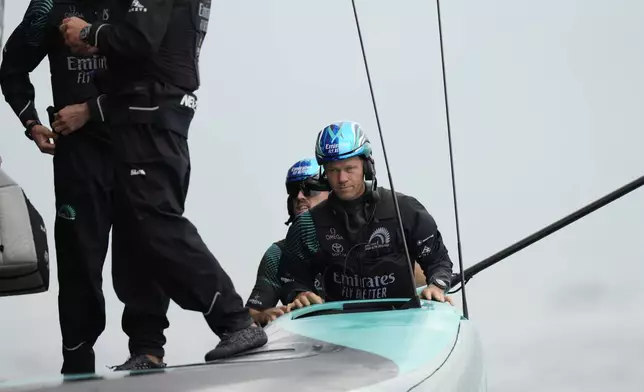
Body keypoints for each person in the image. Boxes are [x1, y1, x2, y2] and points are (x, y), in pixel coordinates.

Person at [58, 2, 268, 361]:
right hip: (145, 118)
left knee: (156, 224)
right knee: (139, 234)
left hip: (151, 121)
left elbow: (140, 39)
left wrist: (88, 31)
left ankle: (234, 321)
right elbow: (151, 45)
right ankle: (148, 349)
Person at [0, 0, 172, 373]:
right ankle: (77, 359)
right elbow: (11, 68)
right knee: (79, 254)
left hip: (139, 141)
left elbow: (164, 74)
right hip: (78, 153)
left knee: (144, 244)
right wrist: (31, 123)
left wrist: (91, 110)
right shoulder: (49, 6)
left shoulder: (140, 5)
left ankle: (148, 348)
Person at [279, 120, 455, 309]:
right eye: (333, 170)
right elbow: (290, 276)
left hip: (403, 323)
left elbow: (438, 260)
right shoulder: (308, 224)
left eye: (349, 169)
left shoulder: (405, 209)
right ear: (324, 175)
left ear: (367, 166)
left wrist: (437, 285)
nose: (342, 179)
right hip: (337, 329)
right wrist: (299, 292)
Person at [246, 158, 330, 325]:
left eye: (309, 190)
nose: (299, 197)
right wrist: (264, 316)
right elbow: (251, 315)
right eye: (294, 191)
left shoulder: (359, 239)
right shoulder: (277, 254)